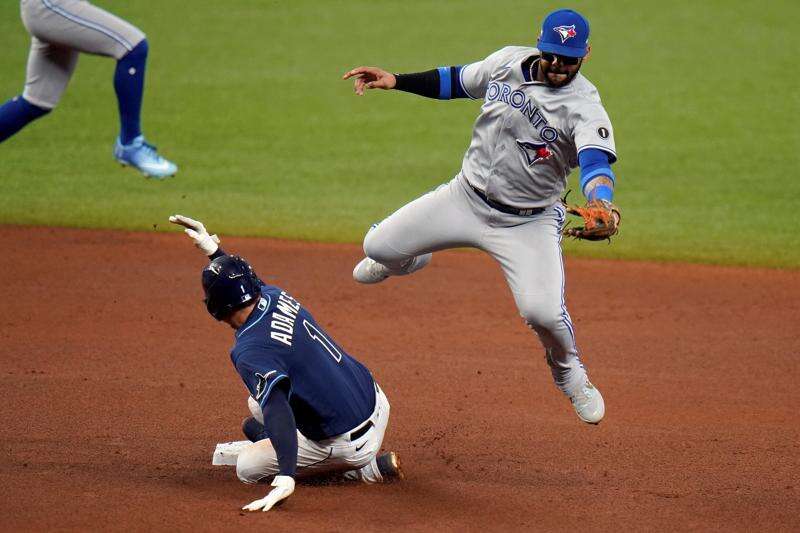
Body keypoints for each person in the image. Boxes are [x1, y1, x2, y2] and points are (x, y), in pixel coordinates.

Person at [341, 9, 620, 425]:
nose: (560, 66)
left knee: (543, 313)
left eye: (570, 59)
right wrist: (397, 80)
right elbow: (455, 80)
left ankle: (570, 375)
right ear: (540, 46)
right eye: (553, 56)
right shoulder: (507, 61)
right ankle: (414, 259)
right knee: (377, 247)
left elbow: (596, 162)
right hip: (464, 197)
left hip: (529, 223)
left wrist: (603, 200)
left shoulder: (585, 107)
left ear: (587, 54)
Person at [169, 214, 402, 513]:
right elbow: (246, 287)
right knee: (256, 403)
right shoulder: (274, 295)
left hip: (349, 441)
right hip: (375, 398)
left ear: (216, 308)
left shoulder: (249, 350)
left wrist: (285, 477)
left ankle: (362, 470)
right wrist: (213, 251)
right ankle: (294, 445)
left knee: (247, 467)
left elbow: (277, 406)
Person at [0, 0, 177, 178]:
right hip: (51, 6)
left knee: (37, 101)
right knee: (133, 47)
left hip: (51, 8)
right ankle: (130, 143)